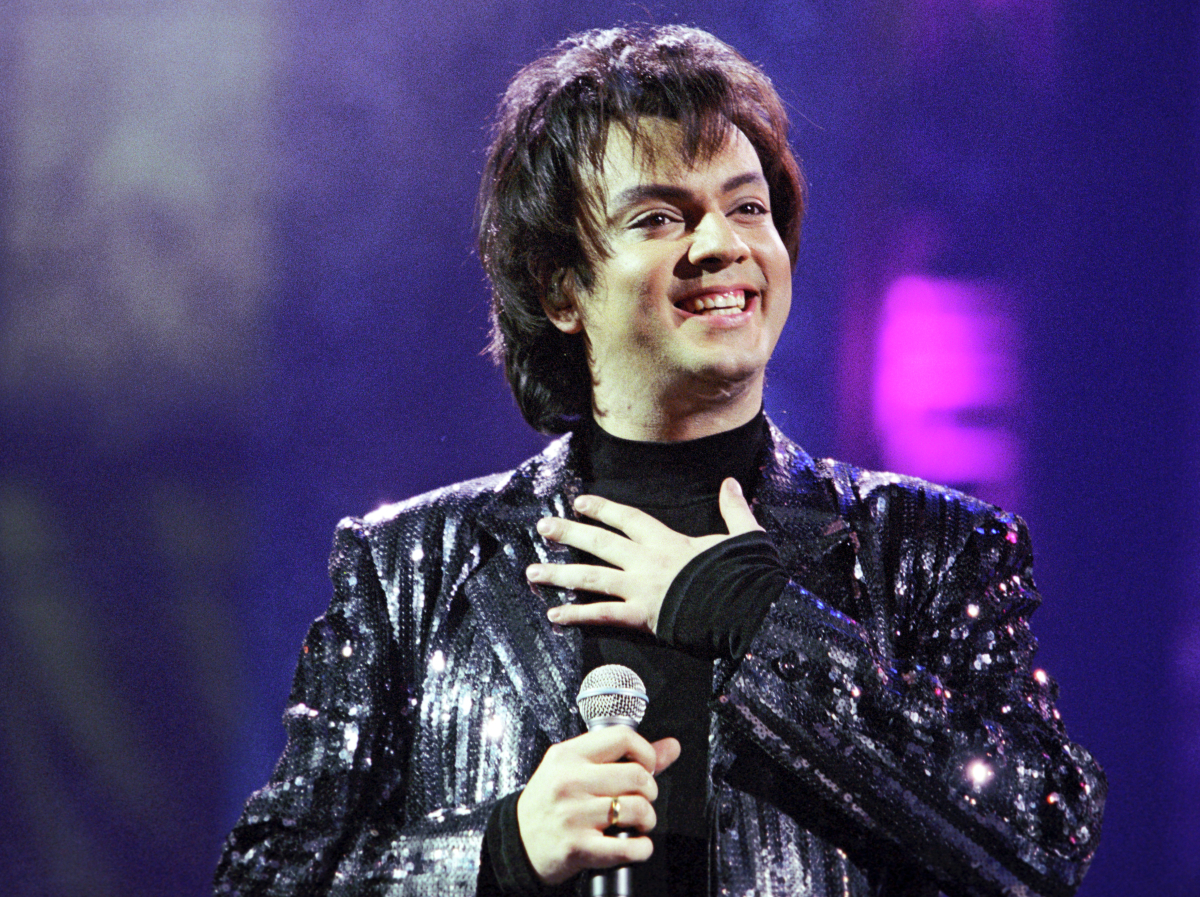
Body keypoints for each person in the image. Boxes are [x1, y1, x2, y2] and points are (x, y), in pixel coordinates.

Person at [215, 25, 1105, 897]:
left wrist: (761, 621)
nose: (722, 245)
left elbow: (1043, 835)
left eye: (747, 207)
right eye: (659, 216)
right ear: (561, 287)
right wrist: (499, 850)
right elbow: (268, 877)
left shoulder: (925, 546)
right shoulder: (412, 567)